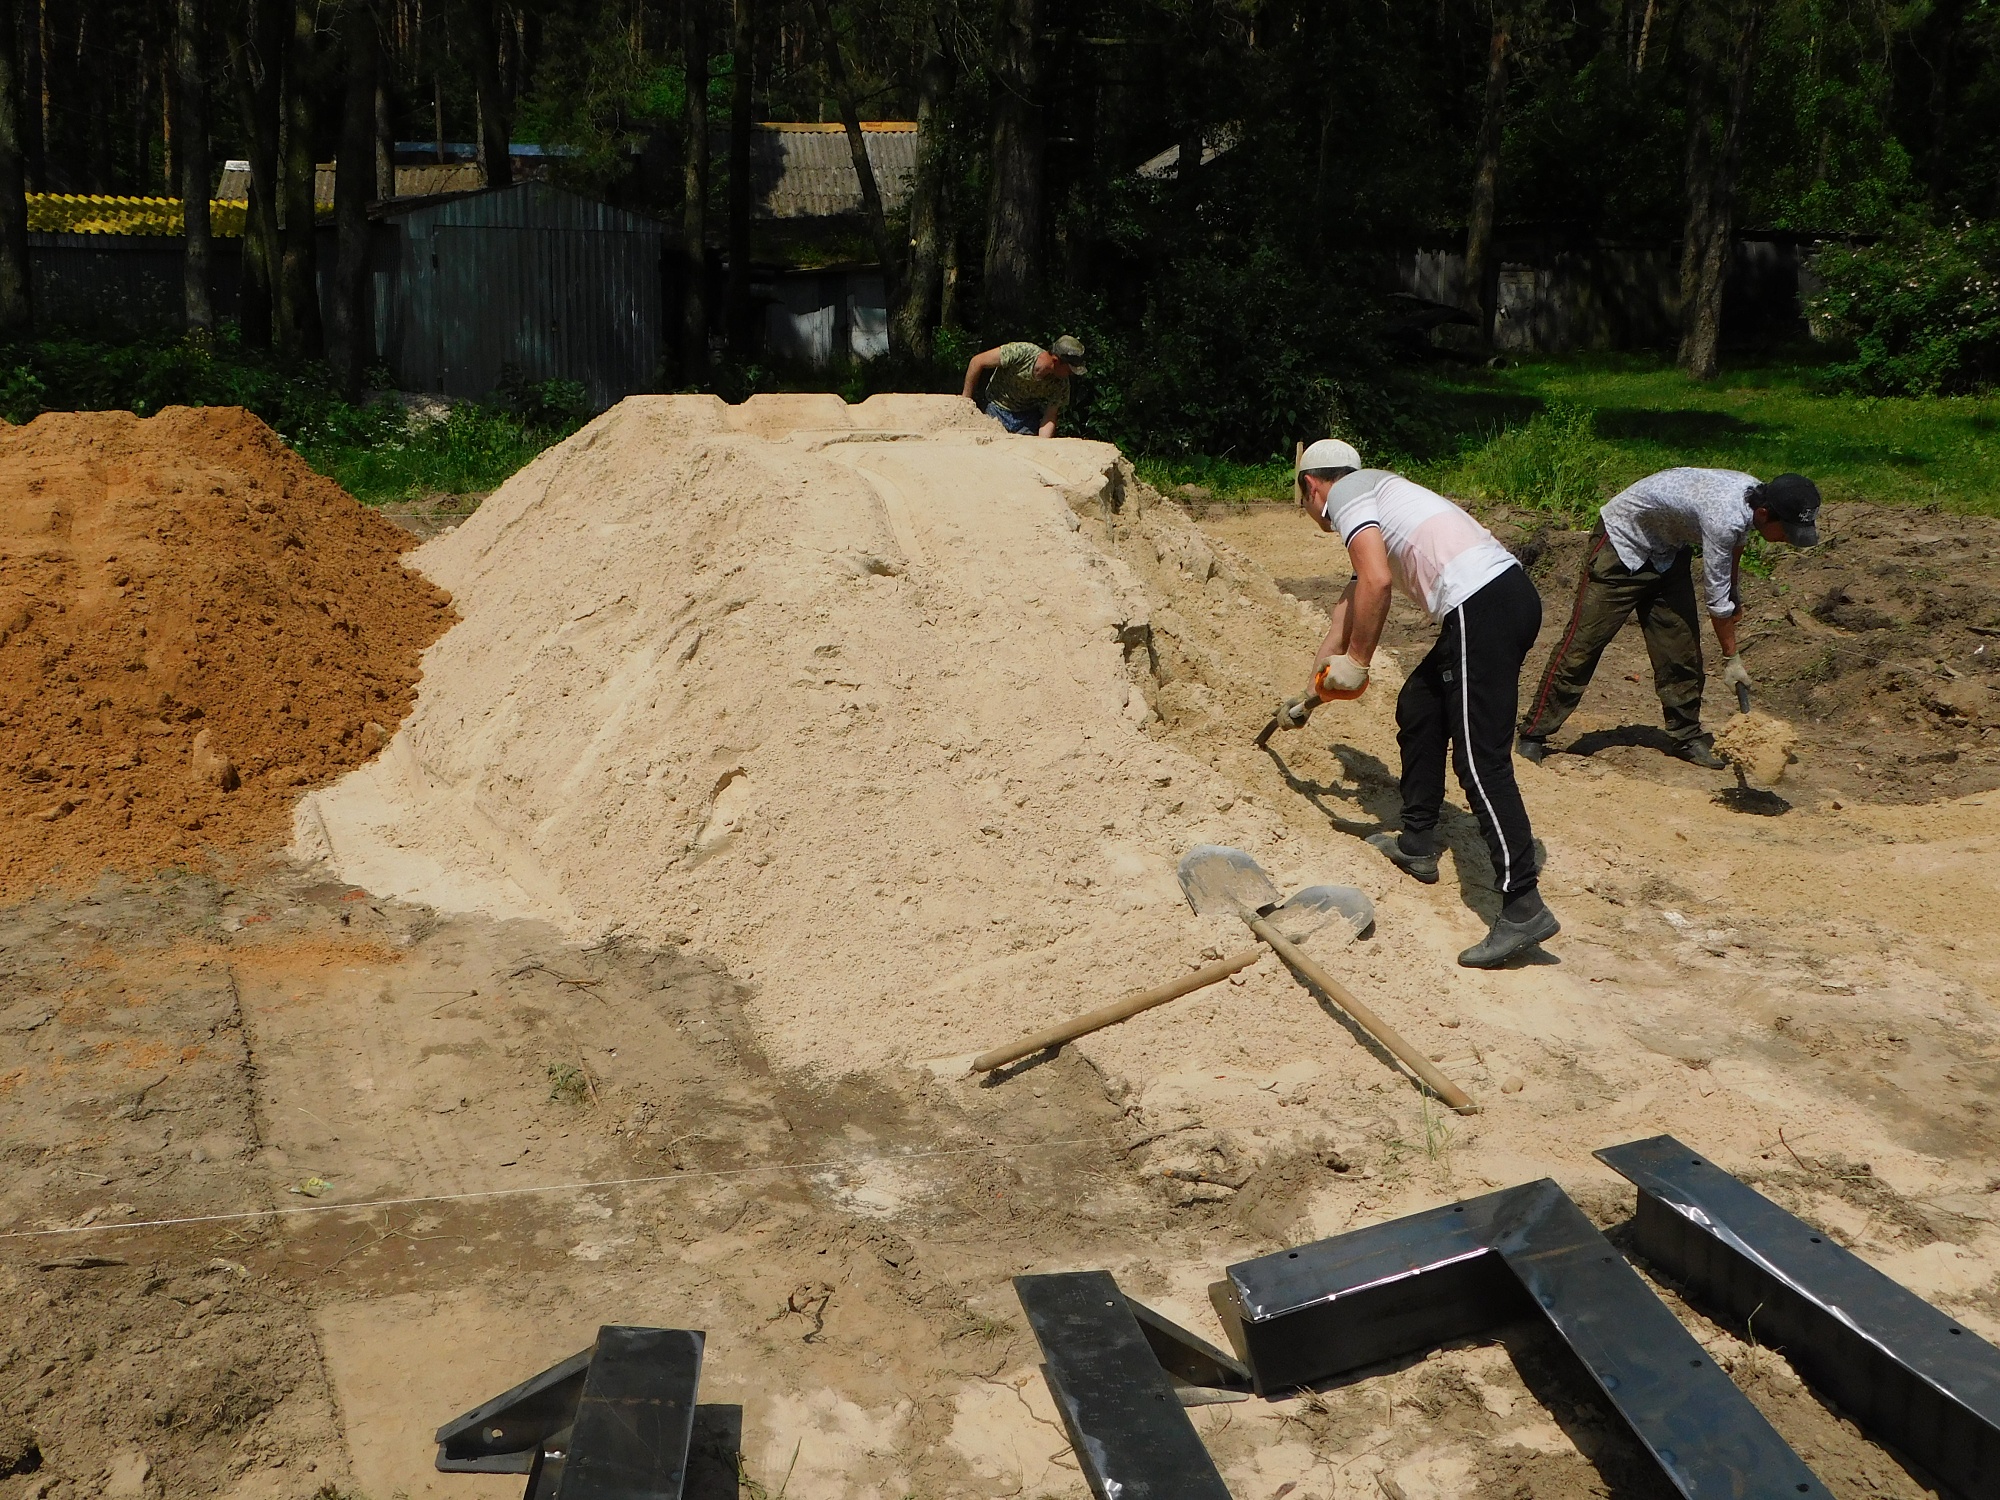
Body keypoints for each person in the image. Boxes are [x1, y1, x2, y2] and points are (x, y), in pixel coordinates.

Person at [1289, 438, 1559, 969]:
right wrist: (1312, 690)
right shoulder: (1375, 498)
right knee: (1419, 705)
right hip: (1497, 599)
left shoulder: (1345, 495)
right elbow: (1349, 607)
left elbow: (1378, 582)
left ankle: (1523, 905)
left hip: (1481, 604)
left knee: (1480, 760)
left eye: (1302, 498)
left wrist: (1359, 662)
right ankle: (1417, 842)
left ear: (1311, 485)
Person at [1516, 469, 1821, 769]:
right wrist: (1732, 658)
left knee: (1680, 649)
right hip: (1622, 545)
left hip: (1668, 551)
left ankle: (1685, 735)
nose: (1786, 539)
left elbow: (1737, 545)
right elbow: (1716, 603)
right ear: (1765, 513)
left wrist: (1734, 592)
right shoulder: (1723, 517)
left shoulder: (1754, 498)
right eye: (1786, 531)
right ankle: (1534, 733)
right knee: (1583, 645)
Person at [961, 336, 1087, 437]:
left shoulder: (1061, 384)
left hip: (1027, 420)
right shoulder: (1022, 352)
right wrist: (965, 402)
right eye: (1069, 370)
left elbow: (1050, 416)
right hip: (996, 409)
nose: (1070, 374)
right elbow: (977, 361)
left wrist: (1042, 445)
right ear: (1056, 361)